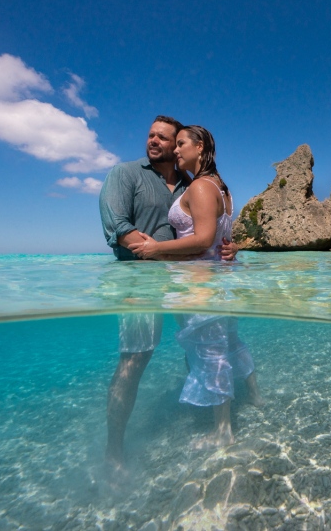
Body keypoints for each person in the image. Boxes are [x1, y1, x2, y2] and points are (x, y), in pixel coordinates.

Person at [98, 116, 237, 470]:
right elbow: (117, 225)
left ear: (180, 145)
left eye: (166, 138)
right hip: (140, 280)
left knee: (199, 347)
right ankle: (114, 451)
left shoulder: (193, 183)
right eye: (151, 135)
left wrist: (228, 249)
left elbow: (207, 229)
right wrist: (152, 250)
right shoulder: (125, 173)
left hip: (183, 280)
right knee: (134, 359)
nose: (156, 141)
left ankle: (212, 424)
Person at [129, 125, 262, 447]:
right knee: (230, 342)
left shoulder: (202, 187)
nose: (176, 150)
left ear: (200, 147)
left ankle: (223, 431)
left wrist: (155, 249)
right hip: (218, 279)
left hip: (201, 284)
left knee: (211, 353)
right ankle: (256, 398)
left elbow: (202, 239)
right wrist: (231, 248)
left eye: (182, 144)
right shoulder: (221, 187)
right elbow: (219, 239)